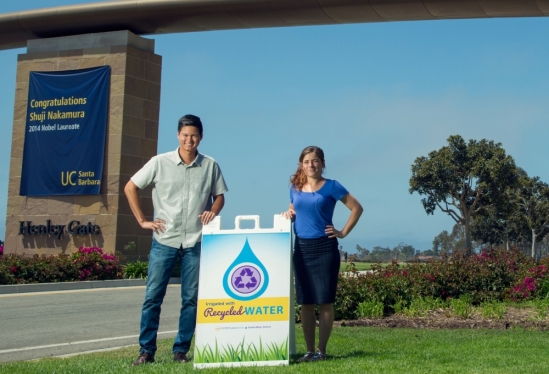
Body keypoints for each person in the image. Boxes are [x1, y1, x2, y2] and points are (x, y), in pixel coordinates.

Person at [125, 114, 228, 366]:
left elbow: (220, 196)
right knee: (153, 297)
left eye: (193, 135)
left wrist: (212, 211)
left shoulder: (210, 165)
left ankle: (180, 349)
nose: (189, 139)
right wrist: (142, 221)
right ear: (177, 136)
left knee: (191, 299)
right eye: (184, 135)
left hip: (195, 240)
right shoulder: (159, 163)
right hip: (164, 239)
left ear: (201, 137)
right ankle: (146, 351)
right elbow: (130, 187)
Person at [282, 146, 363, 362]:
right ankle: (309, 351)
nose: (311, 165)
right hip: (301, 249)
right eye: (307, 161)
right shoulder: (295, 187)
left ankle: (322, 351)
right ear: (301, 164)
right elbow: (294, 210)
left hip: (325, 249)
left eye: (315, 161)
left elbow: (357, 208)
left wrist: (342, 232)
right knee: (306, 302)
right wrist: (289, 214)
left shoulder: (332, 186)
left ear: (322, 163)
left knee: (325, 301)